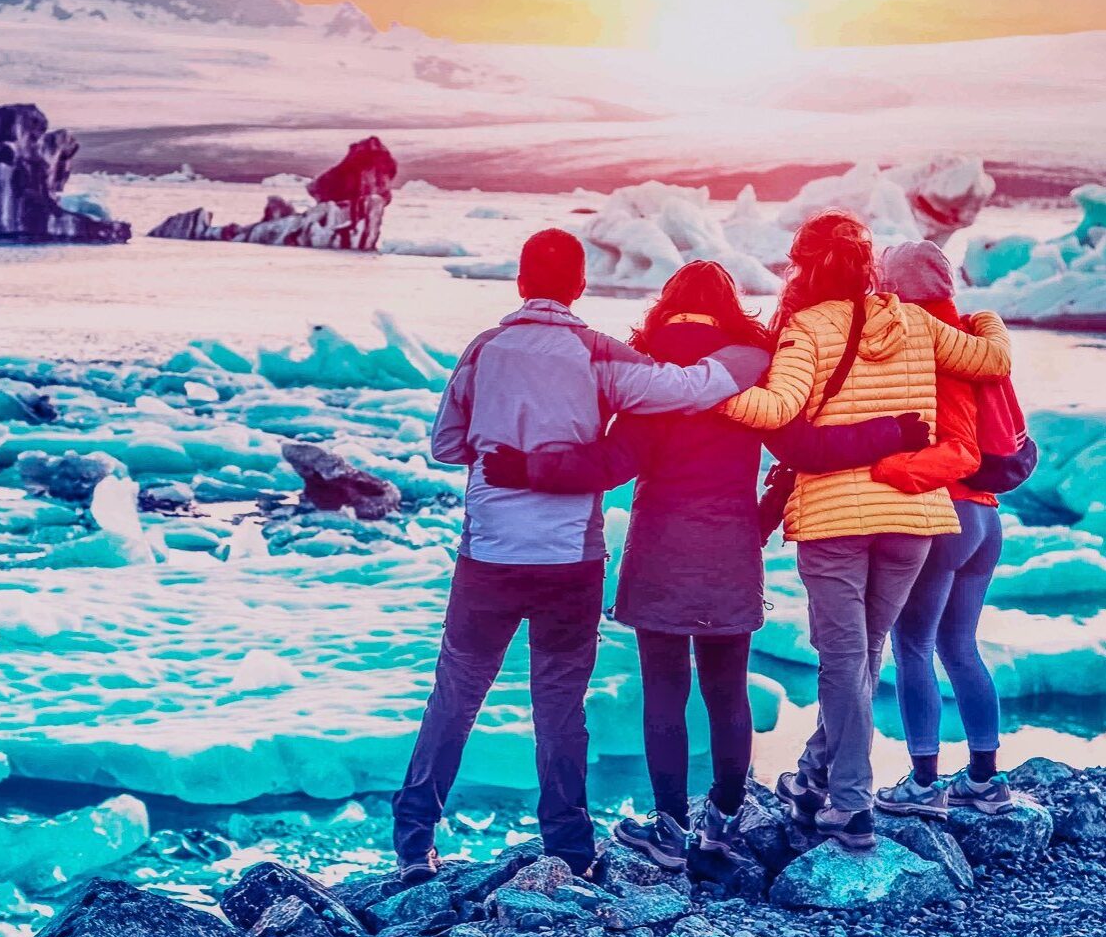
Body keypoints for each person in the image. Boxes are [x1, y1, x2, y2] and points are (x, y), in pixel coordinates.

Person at [480, 259, 928, 873]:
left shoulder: (649, 367)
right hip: (729, 550)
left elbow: (610, 464)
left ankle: (668, 831)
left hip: (660, 548)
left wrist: (525, 469)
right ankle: (721, 825)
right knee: (727, 693)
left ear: (668, 303)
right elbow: (805, 450)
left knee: (664, 692)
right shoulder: (752, 363)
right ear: (729, 304)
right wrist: (892, 431)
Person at [391, 229, 765, 885]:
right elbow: (687, 388)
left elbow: (446, 446)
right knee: (559, 703)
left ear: (519, 282)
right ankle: (567, 845)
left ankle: (414, 837)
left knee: (455, 690)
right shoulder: (597, 355)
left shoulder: (483, 350)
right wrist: (753, 356)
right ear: (578, 287)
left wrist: (503, 445)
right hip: (568, 559)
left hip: (489, 552)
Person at [719, 211, 1013, 851]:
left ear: (805, 266)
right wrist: (986, 316)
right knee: (863, 655)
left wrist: (704, 390)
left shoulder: (805, 328)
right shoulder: (915, 320)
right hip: (912, 520)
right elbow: (990, 357)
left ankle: (851, 805)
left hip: (835, 521)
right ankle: (812, 775)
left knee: (844, 660)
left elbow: (776, 410)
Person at [870, 241, 1024, 819]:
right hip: (987, 517)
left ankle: (923, 782)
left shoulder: (930, 346)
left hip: (947, 514)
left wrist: (886, 469)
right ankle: (985, 778)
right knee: (959, 646)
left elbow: (955, 449)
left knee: (912, 646)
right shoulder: (978, 341)